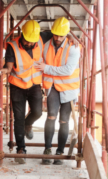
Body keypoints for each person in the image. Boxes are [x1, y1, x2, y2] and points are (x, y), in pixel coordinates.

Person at [3, 20, 51, 164]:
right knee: (18, 118)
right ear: (22, 34)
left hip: (35, 84)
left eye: (32, 41)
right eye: (27, 41)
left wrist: (69, 37)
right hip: (17, 85)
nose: (30, 43)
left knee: (38, 112)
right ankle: (21, 149)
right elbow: (9, 67)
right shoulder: (12, 46)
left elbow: (58, 34)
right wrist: (4, 70)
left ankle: (27, 124)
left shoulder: (41, 37)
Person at [34, 17, 80, 165]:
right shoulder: (46, 41)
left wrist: (46, 68)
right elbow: (33, 35)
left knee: (64, 120)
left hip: (69, 88)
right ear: (52, 32)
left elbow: (68, 70)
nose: (58, 38)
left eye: (62, 35)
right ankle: (47, 150)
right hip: (52, 85)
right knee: (51, 116)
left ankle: (59, 152)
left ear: (67, 34)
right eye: (56, 35)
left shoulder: (73, 47)